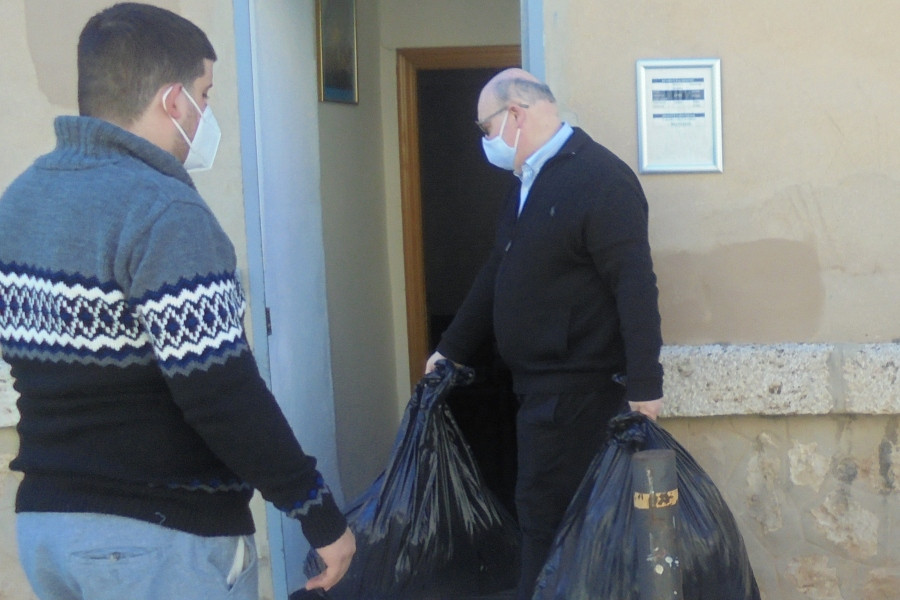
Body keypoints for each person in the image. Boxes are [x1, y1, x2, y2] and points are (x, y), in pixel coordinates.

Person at [0, 4, 354, 599]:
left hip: (46, 528)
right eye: (205, 93)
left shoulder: (21, 200)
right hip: (156, 539)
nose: (207, 110)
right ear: (172, 100)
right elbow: (220, 391)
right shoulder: (165, 211)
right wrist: (318, 513)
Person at [425, 68, 664, 598]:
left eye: (485, 129)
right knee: (544, 519)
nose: (485, 142)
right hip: (537, 391)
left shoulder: (601, 179)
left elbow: (635, 284)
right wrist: (450, 349)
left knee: (552, 523)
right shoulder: (528, 182)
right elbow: (497, 272)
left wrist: (646, 386)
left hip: (579, 393)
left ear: (515, 115)